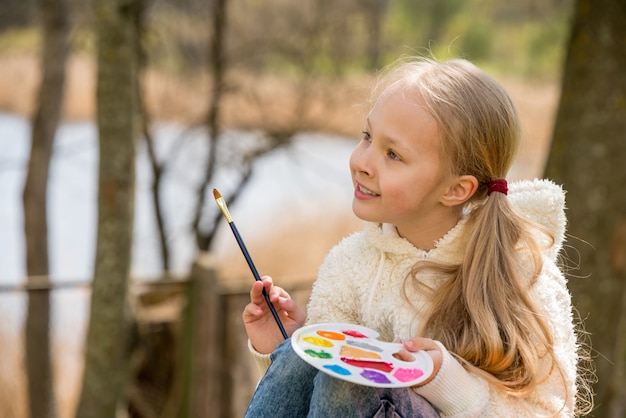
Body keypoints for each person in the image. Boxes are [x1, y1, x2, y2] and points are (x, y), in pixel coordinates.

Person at [242, 57, 590, 417]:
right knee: (304, 360)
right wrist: (287, 345)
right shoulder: (349, 266)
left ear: (456, 190)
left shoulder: (522, 272)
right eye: (367, 137)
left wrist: (453, 388)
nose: (362, 161)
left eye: (393, 154)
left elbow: (551, 411)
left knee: (349, 379)